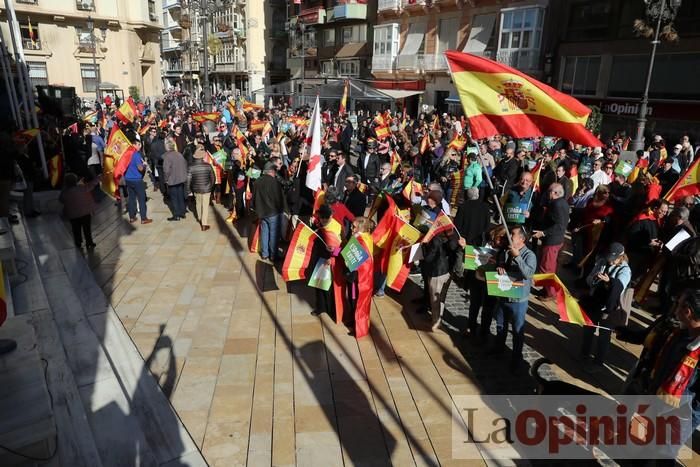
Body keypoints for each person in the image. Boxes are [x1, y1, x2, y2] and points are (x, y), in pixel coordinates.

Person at [616, 289, 700, 465]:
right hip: (654, 400)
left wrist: (689, 411)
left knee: (664, 454)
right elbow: (649, 337)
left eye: (678, 304)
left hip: (680, 414)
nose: (674, 307)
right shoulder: (676, 329)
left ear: (687, 311)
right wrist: (626, 332)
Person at [489, 225, 537, 372]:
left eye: (513, 234)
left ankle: (516, 359)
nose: (509, 236)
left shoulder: (529, 255)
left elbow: (528, 274)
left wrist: (517, 257)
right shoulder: (505, 251)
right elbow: (500, 264)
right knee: (500, 326)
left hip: (518, 301)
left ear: (522, 239)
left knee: (517, 331)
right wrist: (500, 266)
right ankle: (499, 349)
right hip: (504, 296)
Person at [580, 242, 631, 372]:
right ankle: (584, 354)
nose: (610, 261)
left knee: (604, 334)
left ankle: (598, 362)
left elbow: (620, 287)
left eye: (613, 259)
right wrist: (594, 279)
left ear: (621, 257)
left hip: (609, 307)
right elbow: (589, 278)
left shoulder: (625, 270)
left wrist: (609, 282)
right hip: (594, 302)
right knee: (588, 329)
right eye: (609, 258)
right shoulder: (602, 261)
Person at [421, 191, 457, 331]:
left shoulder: (435, 239)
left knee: (435, 299)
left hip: (436, 270)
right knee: (442, 297)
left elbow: (429, 257)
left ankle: (436, 322)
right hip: (447, 270)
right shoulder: (451, 237)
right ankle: (439, 318)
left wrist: (424, 246)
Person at [532, 183, 570, 299]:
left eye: (549, 191)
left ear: (554, 193)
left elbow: (559, 225)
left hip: (552, 241)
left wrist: (543, 233)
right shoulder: (562, 202)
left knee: (546, 267)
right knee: (549, 266)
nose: (547, 193)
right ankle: (546, 289)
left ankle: (550, 293)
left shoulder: (556, 205)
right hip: (556, 240)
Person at [345, 216, 374, 338]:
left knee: (355, 300)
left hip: (356, 277)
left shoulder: (361, 240)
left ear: (361, 228)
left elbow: (357, 261)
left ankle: (356, 325)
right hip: (358, 275)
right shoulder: (365, 237)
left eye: (354, 226)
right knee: (354, 300)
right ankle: (354, 320)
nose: (351, 228)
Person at [253, 162, 286, 262]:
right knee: (273, 235)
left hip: (262, 212)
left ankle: (264, 254)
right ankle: (273, 255)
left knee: (264, 233)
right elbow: (279, 198)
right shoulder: (275, 182)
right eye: (275, 171)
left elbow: (254, 197)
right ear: (272, 171)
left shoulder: (257, 181)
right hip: (273, 213)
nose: (276, 173)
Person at [59, 173, 100, 249]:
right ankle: (89, 242)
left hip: (73, 215)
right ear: (75, 181)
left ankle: (78, 242)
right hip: (85, 213)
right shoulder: (82, 188)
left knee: (76, 229)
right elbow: (91, 185)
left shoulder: (64, 192)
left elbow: (61, 200)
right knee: (87, 228)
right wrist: (98, 178)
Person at [124, 140, 152, 224]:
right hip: (136, 180)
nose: (140, 146)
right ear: (133, 145)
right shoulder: (136, 155)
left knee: (131, 198)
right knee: (141, 199)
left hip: (128, 179)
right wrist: (144, 164)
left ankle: (132, 217)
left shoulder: (126, 154)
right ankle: (143, 218)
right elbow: (140, 168)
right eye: (138, 144)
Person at [189, 145, 216, 231]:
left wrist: (188, 190)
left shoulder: (191, 167)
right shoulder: (208, 166)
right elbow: (213, 178)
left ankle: (200, 218)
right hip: (206, 189)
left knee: (198, 203)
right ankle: (204, 224)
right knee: (205, 206)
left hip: (196, 189)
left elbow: (188, 180)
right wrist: (210, 186)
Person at [162, 138, 189, 221]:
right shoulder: (179, 154)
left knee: (174, 198)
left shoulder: (167, 156)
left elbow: (166, 170)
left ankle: (176, 215)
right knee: (180, 196)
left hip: (172, 180)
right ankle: (182, 212)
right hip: (181, 179)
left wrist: (166, 179)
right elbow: (185, 164)